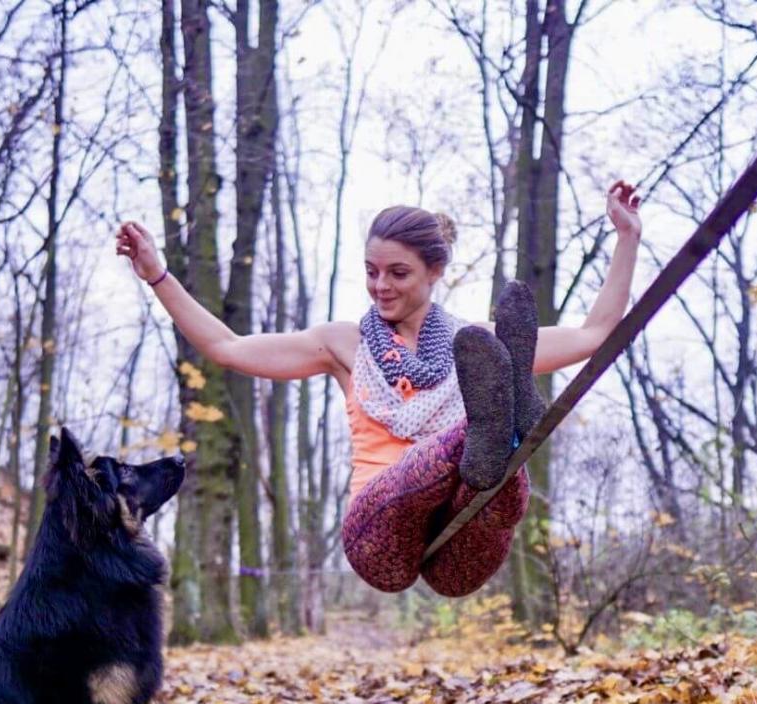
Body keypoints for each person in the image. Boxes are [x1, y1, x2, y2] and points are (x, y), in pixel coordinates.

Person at [115, 180, 642, 597]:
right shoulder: (342, 344)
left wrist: (627, 239)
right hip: (379, 535)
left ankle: (506, 437)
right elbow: (228, 347)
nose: (381, 286)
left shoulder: (473, 346)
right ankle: (495, 432)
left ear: (435, 271)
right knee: (476, 436)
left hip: (461, 542)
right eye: (371, 272)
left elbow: (594, 335)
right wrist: (158, 275)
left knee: (501, 488)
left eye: (397, 273)